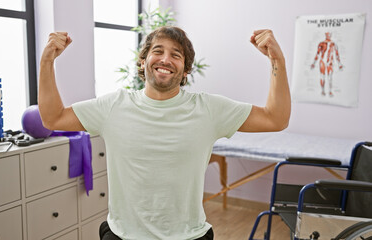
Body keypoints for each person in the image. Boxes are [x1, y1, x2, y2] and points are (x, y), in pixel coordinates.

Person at [38, 26, 290, 240]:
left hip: (189, 236)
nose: (165, 59)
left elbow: (275, 118)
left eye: (176, 55)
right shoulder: (113, 106)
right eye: (157, 51)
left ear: (186, 69)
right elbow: (53, 117)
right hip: (123, 235)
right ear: (143, 60)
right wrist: (47, 61)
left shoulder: (209, 109)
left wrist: (277, 61)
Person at [310, 32, 344, 97]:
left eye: (330, 34)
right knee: (322, 76)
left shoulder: (333, 44)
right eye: (327, 34)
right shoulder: (321, 43)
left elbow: (337, 54)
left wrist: (339, 64)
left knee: (330, 77)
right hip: (322, 61)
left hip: (330, 62)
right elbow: (317, 53)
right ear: (325, 35)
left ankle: (330, 91)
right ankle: (322, 91)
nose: (329, 35)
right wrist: (314, 63)